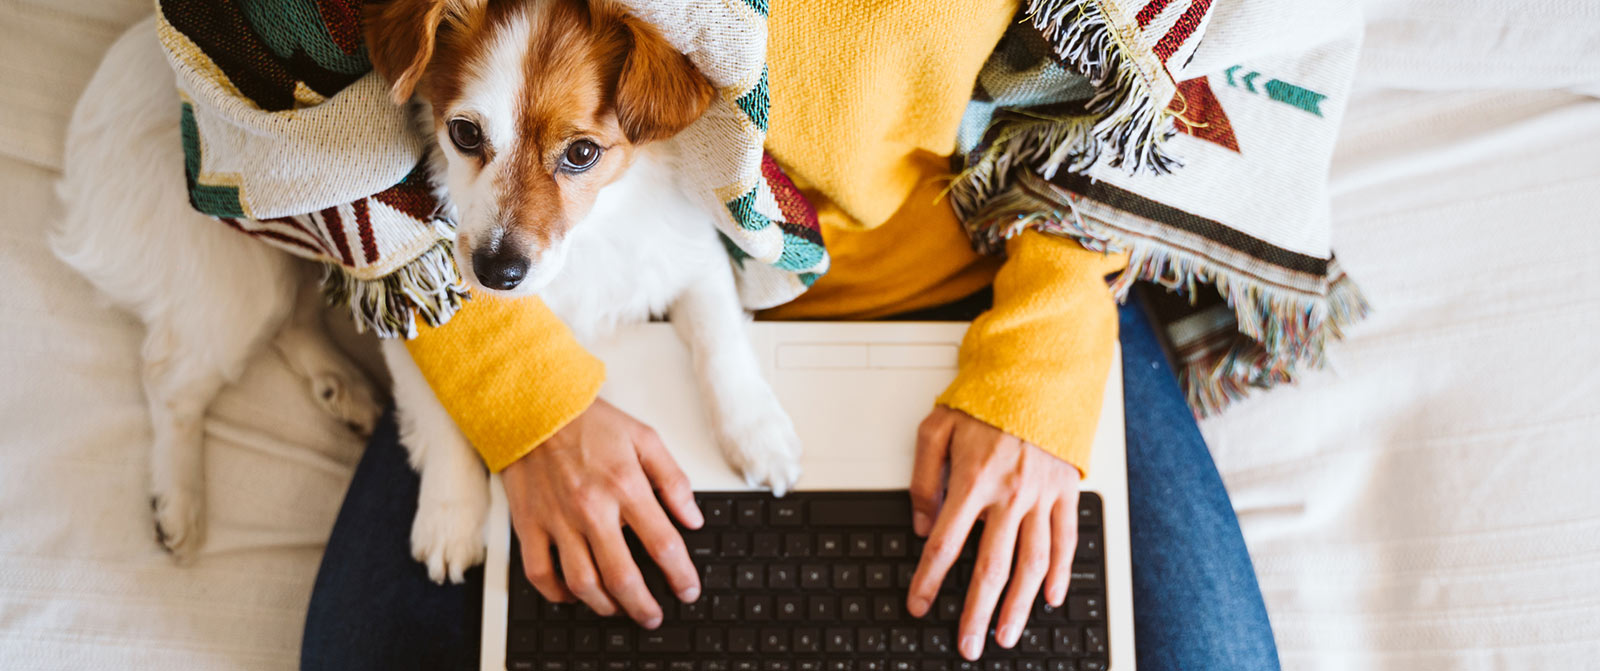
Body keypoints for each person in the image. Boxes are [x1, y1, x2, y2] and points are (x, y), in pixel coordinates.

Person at [301, 1, 1280, 669]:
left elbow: (1127, 92)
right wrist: (518, 393)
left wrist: (1041, 365)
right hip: (576, 298)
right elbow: (313, 94)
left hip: (986, 278)